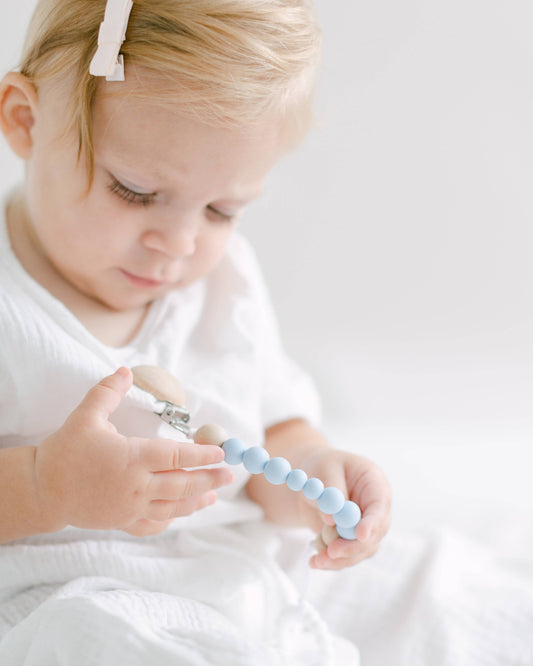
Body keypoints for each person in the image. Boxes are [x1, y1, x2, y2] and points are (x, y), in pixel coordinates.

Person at [0, 0, 391, 663]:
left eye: (221, 209)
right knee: (96, 642)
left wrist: (312, 478)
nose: (176, 243)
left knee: (441, 590)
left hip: (236, 574)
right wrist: (46, 484)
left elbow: (267, 436)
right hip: (63, 589)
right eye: (134, 191)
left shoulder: (224, 284)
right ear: (25, 120)